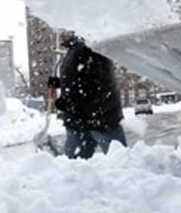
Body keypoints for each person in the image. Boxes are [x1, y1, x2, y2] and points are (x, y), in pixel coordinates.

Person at [52, 30, 127, 159]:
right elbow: (76, 78)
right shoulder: (75, 49)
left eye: (61, 30)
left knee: (119, 159)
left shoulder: (86, 47)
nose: (58, 33)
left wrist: (68, 100)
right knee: (76, 166)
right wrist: (59, 83)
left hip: (98, 116)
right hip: (82, 118)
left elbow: (94, 81)